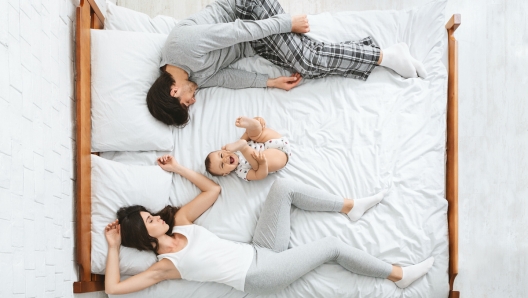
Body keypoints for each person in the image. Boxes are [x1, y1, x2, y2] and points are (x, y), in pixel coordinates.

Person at [103, 154, 435, 295]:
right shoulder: (165, 266)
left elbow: (213, 189)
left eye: (151, 214)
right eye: (150, 220)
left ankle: (349, 207)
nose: (157, 217)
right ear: (145, 236)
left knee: (283, 188)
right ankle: (398, 275)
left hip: (260, 249)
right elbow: (113, 289)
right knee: (332, 246)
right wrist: (115, 248)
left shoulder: (182, 223)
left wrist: (177, 168)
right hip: (260, 275)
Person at [146, 0, 427, 127]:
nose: (192, 102)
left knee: (308, 57)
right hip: (253, 42)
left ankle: (384, 57)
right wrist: (270, 82)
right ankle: (383, 54)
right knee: (308, 68)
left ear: (173, 91)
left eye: (185, 103)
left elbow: (237, 31)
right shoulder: (192, 80)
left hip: (248, 11)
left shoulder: (180, 46)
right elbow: (227, 78)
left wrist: (285, 23)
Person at [205, 116, 290, 181]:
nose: (224, 159)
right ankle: (245, 148)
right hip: (278, 158)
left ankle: (255, 125)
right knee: (257, 165)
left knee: (254, 135)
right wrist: (262, 163)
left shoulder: (235, 147)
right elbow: (259, 175)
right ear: (226, 173)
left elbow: (247, 133)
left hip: (273, 141)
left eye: (221, 155)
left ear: (224, 150)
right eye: (222, 165)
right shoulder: (241, 171)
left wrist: (255, 123)